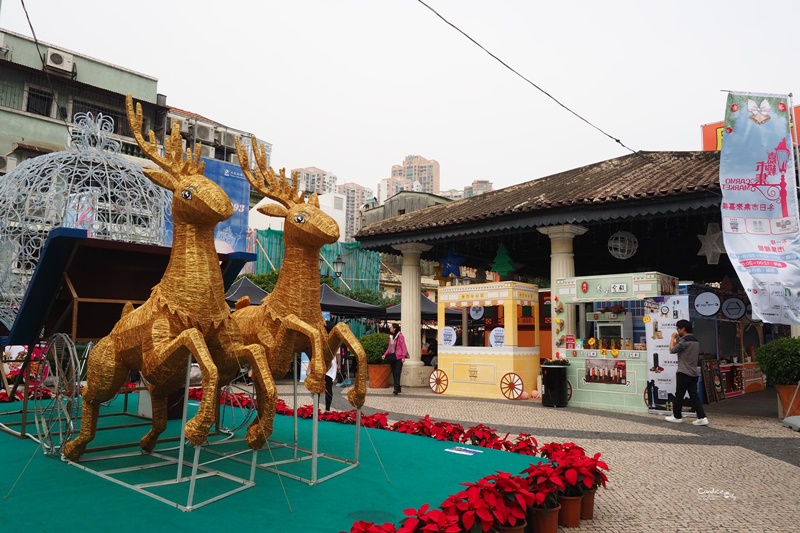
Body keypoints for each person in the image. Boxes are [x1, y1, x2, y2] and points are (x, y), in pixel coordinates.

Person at [665, 319, 708, 426]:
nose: (677, 330)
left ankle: (677, 416)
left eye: (678, 328)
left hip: (683, 372)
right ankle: (702, 417)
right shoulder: (695, 340)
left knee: (679, 395)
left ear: (683, 329)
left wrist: (672, 338)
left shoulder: (684, 341)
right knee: (694, 396)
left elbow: (672, 350)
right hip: (693, 372)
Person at [382, 322, 407, 395]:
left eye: (391, 327)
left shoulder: (400, 336)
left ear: (394, 328)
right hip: (392, 357)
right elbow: (389, 348)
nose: (390, 328)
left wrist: (403, 356)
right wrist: (385, 354)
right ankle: (398, 387)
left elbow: (403, 347)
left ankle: (396, 388)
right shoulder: (391, 337)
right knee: (394, 373)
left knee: (397, 373)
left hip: (398, 357)